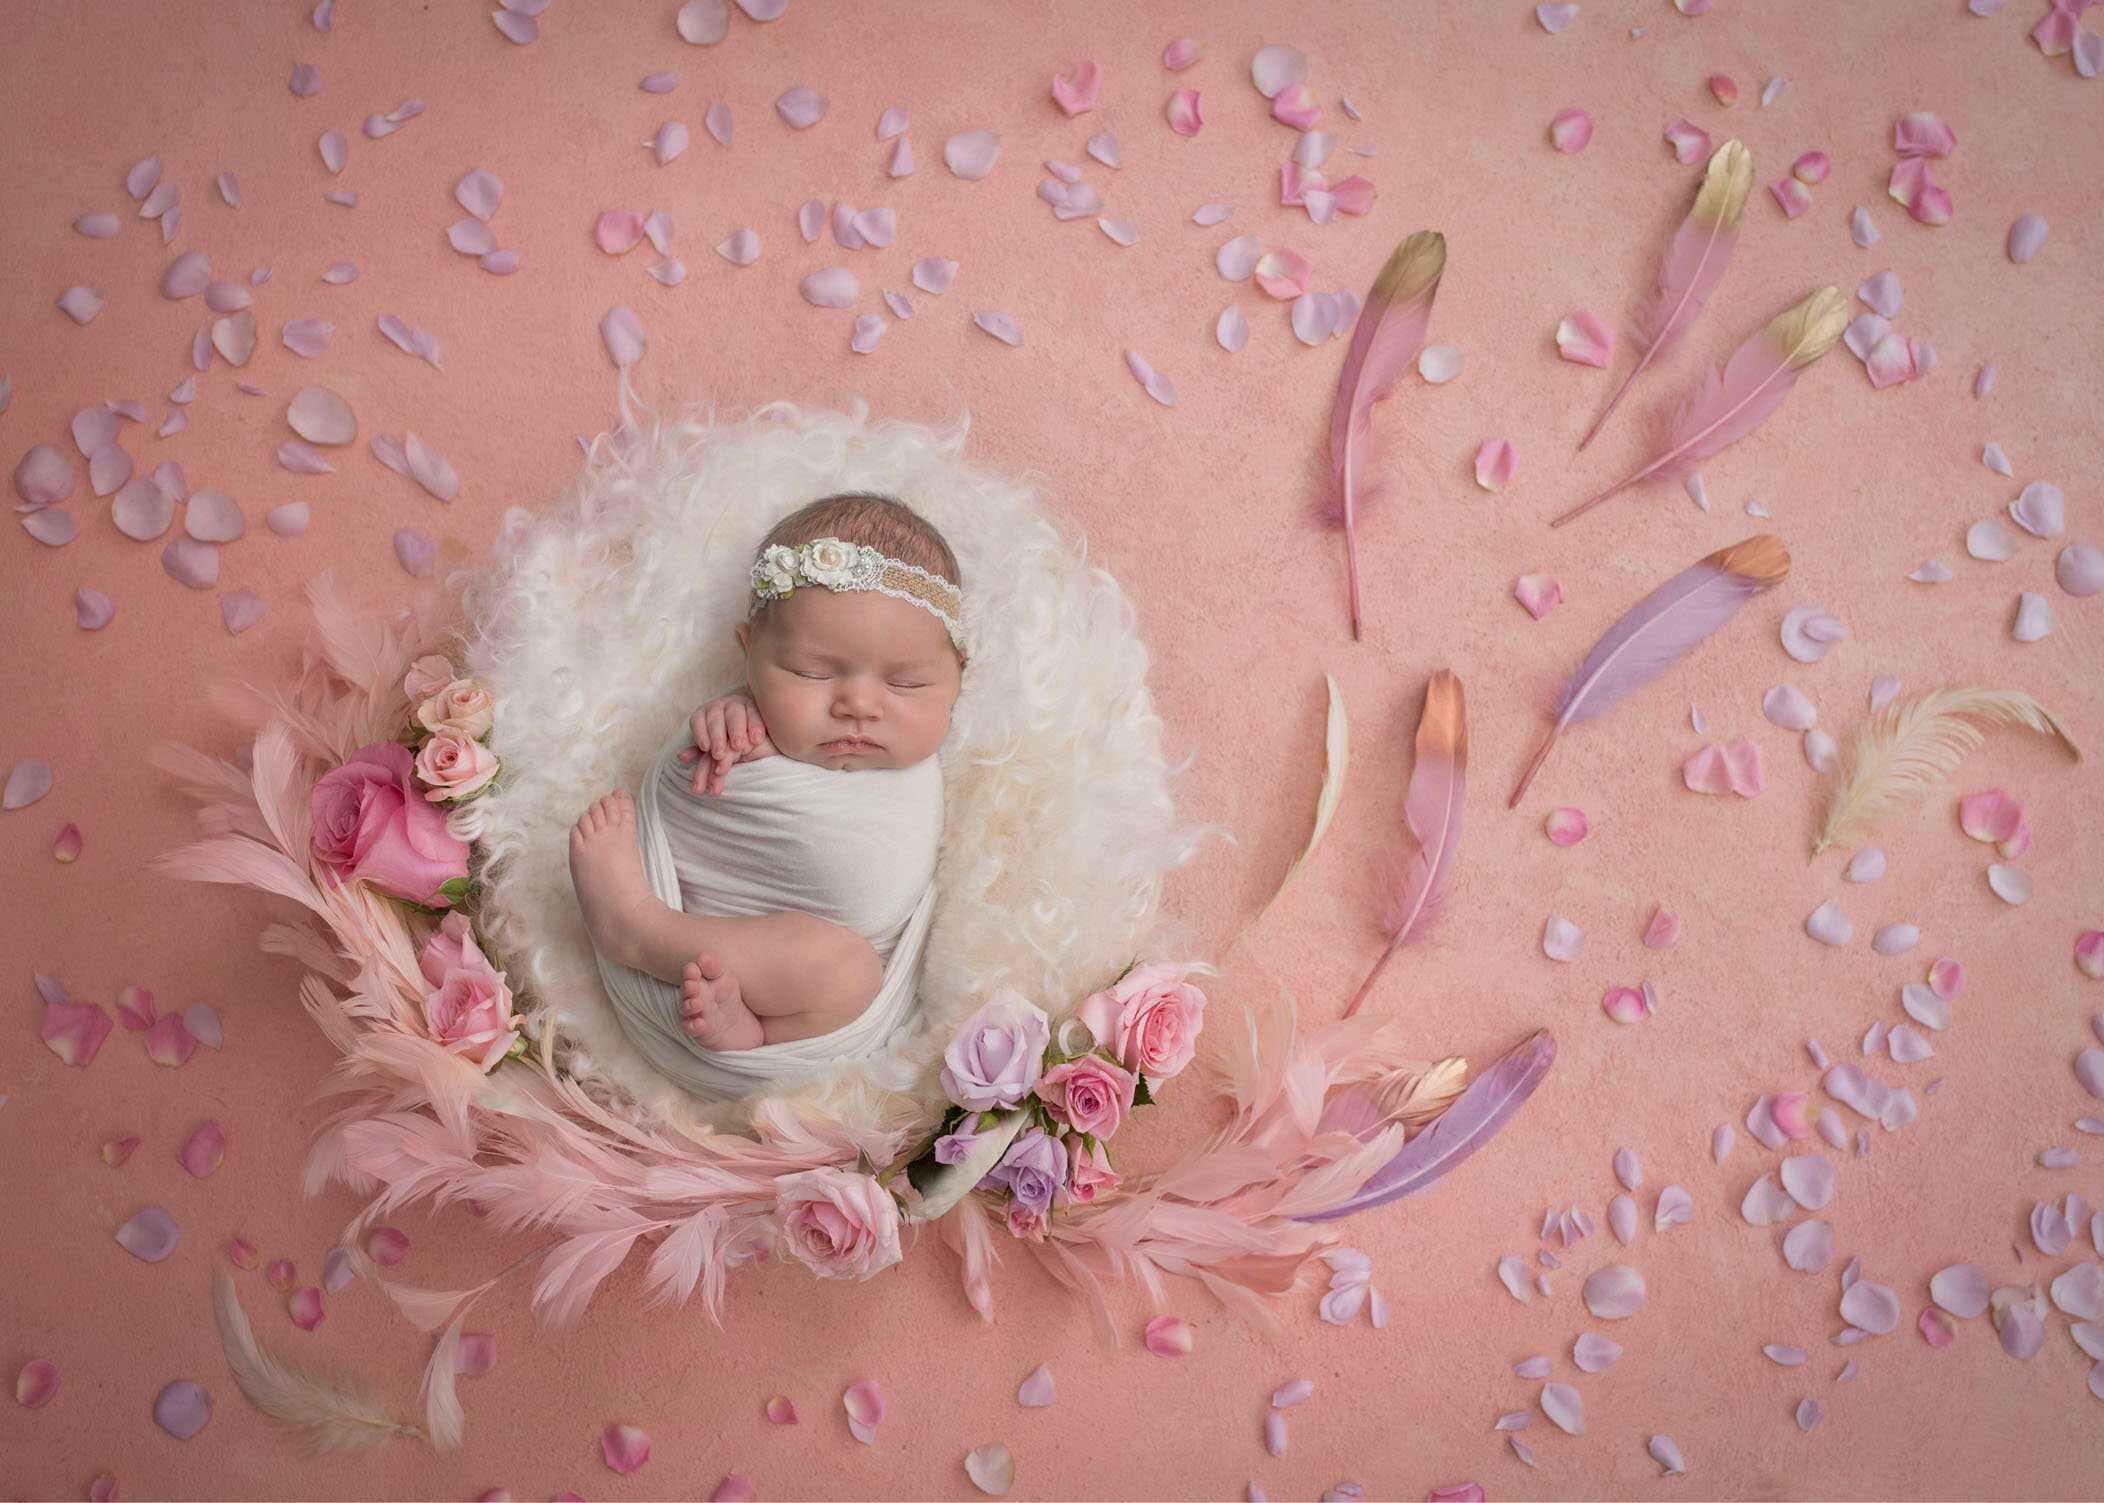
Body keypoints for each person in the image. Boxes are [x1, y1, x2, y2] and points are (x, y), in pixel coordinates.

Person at [566, 492, 965, 1086]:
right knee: (839, 964)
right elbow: (708, 766)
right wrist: (729, 717)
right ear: (749, 655)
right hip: (711, 925)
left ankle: (745, 1025)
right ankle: (636, 923)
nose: (859, 703)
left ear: (959, 676)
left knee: (849, 974)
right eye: (811, 672)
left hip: (819, 1023)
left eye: (906, 683)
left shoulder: (927, 768)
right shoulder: (755, 728)